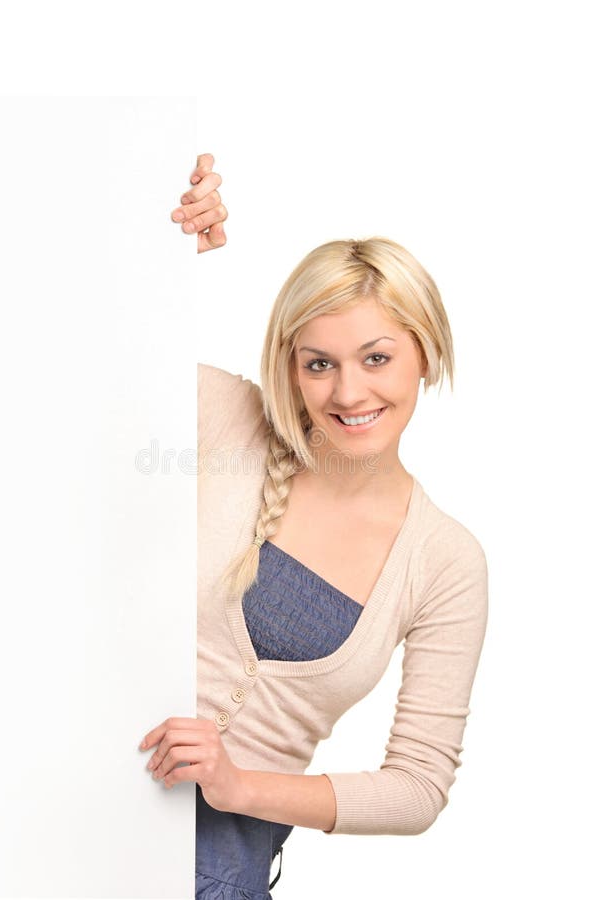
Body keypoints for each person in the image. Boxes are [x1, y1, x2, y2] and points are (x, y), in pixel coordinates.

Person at [138, 154, 489, 898]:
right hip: (59, 808)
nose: (349, 390)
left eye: (377, 357)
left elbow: (418, 785)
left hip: (218, 869)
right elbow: (66, 343)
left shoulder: (445, 560)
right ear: (289, 366)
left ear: (424, 353)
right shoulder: (226, 419)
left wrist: (238, 786)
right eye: (318, 363)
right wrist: (159, 246)